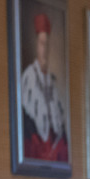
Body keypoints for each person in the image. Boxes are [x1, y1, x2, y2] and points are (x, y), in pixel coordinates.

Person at [18, 13, 68, 162]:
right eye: (41, 44)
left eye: (47, 45)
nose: (44, 50)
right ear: (36, 46)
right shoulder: (28, 78)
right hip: (36, 149)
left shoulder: (52, 82)